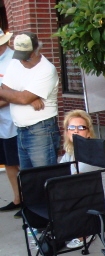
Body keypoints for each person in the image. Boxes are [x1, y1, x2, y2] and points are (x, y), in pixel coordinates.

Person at [0, 32, 60, 169]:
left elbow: (21, 97)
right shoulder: (15, 62)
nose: (22, 61)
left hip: (41, 130)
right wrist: (27, 97)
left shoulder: (47, 69)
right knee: (29, 180)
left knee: (45, 177)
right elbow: (6, 89)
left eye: (26, 57)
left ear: (35, 51)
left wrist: (24, 97)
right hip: (20, 129)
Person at [59, 109, 105, 248]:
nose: (76, 131)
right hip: (83, 201)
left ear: (88, 132)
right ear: (67, 132)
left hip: (101, 207)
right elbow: (59, 175)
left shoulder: (91, 156)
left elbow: (70, 184)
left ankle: (84, 232)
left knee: (64, 193)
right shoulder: (70, 152)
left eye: (81, 127)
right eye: (71, 127)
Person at [0, 28, 20, 215]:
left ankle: (31, 202)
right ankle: (17, 199)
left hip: (15, 121)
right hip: (1, 125)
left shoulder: (14, 60)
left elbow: (20, 93)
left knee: (20, 162)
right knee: (7, 162)